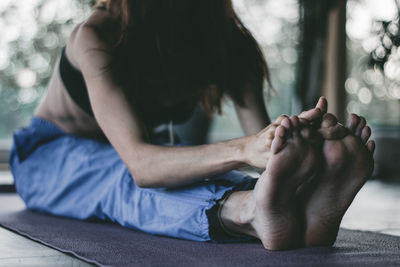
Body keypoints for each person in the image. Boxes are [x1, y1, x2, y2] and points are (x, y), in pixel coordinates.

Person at [9, 0, 375, 250]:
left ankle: (299, 207)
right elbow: (141, 165)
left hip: (136, 155)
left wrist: (295, 144)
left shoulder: (230, 44)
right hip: (45, 158)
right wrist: (244, 147)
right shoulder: (97, 36)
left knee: (200, 173)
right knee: (123, 182)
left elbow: (274, 156)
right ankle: (246, 210)